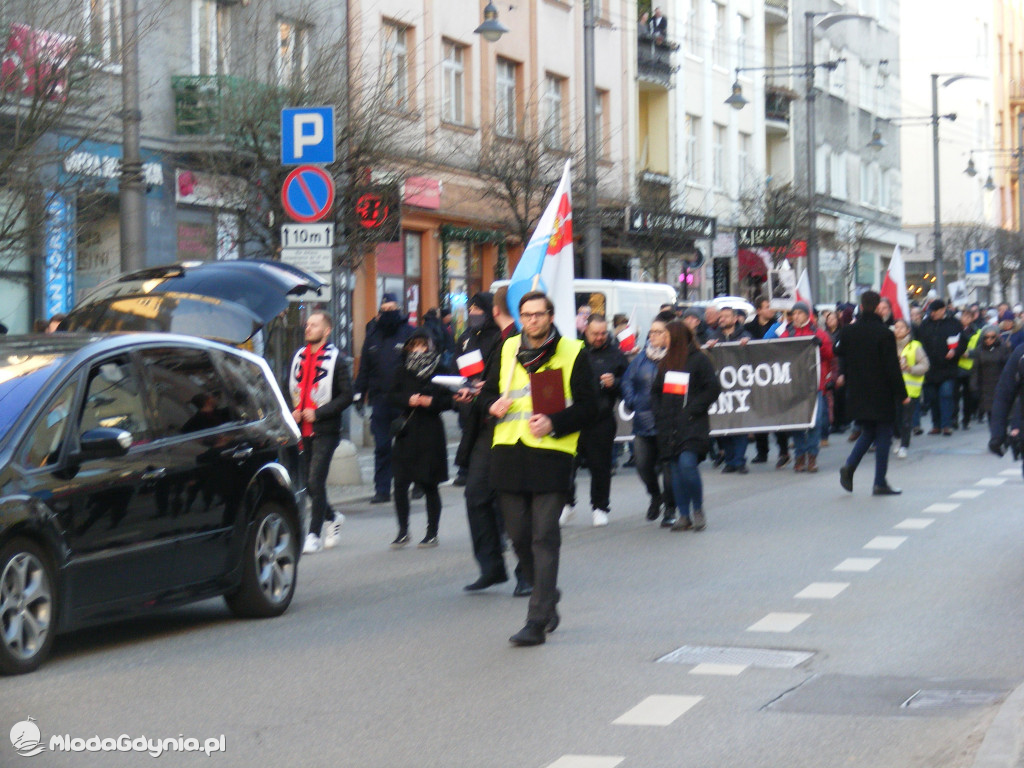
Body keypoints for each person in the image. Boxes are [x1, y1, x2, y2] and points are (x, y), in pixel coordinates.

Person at [480, 291, 598, 646]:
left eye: (539, 314)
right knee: (518, 537)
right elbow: (485, 392)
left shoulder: (573, 352)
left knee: (543, 536)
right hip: (509, 451)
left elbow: (591, 407)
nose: (533, 320)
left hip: (551, 454)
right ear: (520, 317)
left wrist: (555, 423)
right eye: (527, 314)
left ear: (550, 316)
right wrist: (491, 405)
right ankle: (547, 598)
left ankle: (536, 619)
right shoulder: (506, 348)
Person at [455, 287, 531, 595]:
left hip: (521, 431)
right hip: (488, 430)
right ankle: (491, 566)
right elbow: (490, 387)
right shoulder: (490, 340)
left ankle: (527, 571)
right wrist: (477, 394)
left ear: (494, 310)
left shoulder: (522, 339)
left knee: (516, 503)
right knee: (476, 495)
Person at [289, 311, 354, 553]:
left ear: (326, 331)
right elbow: (293, 389)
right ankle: (333, 516)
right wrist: (293, 411)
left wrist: (321, 412)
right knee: (308, 483)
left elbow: (347, 395)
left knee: (316, 479)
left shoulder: (337, 359)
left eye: (314, 325)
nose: (308, 328)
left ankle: (313, 535)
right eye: (307, 324)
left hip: (325, 429)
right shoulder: (297, 356)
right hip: (301, 429)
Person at [651, 320, 721, 532]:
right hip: (669, 425)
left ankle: (697, 509)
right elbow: (656, 391)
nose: (663, 339)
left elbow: (713, 388)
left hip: (692, 424)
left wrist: (692, 409)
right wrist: (659, 411)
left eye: (667, 336)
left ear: (677, 338)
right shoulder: (666, 362)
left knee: (687, 465)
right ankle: (683, 515)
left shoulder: (699, 360)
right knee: (674, 471)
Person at [837, 291, 909, 496]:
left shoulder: (849, 331)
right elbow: (892, 368)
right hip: (881, 392)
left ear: (861, 306)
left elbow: (837, 350)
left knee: (868, 431)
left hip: (858, 390)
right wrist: (902, 394)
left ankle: (850, 466)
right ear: (878, 307)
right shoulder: (884, 333)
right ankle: (879, 481)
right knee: (883, 433)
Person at [388, 330, 454, 548]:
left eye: (422, 345)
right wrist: (409, 399)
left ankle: (432, 532)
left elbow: (449, 400)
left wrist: (430, 402)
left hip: (430, 432)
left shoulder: (440, 369)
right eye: (414, 345)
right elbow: (391, 396)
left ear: (430, 346)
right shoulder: (401, 370)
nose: (418, 349)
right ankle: (402, 530)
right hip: (406, 432)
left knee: (429, 484)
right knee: (400, 484)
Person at [354, 293, 415, 503]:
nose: (388, 313)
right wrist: (358, 395)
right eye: (385, 310)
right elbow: (364, 369)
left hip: (404, 400)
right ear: (380, 311)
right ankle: (382, 489)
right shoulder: (372, 335)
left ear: (399, 309)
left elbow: (418, 366)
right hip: (380, 400)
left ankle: (414, 483)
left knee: (407, 446)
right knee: (381, 446)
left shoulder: (409, 333)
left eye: (392, 309)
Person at [569, 313, 629, 527]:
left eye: (603, 333)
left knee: (600, 466)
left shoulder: (616, 354)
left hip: (601, 418)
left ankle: (600, 507)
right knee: (567, 463)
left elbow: (628, 385)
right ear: (586, 330)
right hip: (575, 417)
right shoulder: (574, 349)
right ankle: (567, 504)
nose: (599, 337)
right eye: (595, 333)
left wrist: (616, 382)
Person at [621, 310, 678, 527]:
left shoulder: (675, 358)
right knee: (643, 465)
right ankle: (655, 495)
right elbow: (626, 381)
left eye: (658, 332)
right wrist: (632, 400)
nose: (652, 336)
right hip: (643, 423)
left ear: (668, 334)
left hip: (668, 424)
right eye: (651, 332)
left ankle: (670, 509)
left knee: (669, 469)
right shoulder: (641, 358)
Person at [453, 293, 502, 487]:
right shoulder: (466, 336)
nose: (472, 313)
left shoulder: (498, 336)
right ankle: (465, 469)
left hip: (488, 399)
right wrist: (458, 386)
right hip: (467, 398)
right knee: (468, 433)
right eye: (470, 310)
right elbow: (456, 363)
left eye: (477, 309)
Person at [780, 301, 833, 472]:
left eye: (799, 313)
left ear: (806, 315)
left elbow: (829, 355)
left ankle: (812, 456)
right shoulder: (787, 333)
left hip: (814, 384)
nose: (796, 316)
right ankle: (800, 456)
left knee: (815, 422)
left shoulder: (818, 333)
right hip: (795, 384)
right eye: (793, 314)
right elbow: (777, 353)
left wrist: (821, 345)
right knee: (797, 422)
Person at [706, 305, 751, 473]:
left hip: (739, 387)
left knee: (739, 425)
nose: (723, 319)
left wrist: (749, 345)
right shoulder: (713, 337)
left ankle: (739, 460)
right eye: (721, 316)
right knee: (724, 426)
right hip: (720, 388)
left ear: (735, 319)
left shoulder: (744, 335)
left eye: (726, 316)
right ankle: (730, 460)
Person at [916, 299, 966, 436]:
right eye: (931, 311)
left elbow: (963, 341)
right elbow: (919, 341)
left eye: (935, 311)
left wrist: (955, 352)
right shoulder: (925, 324)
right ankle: (936, 424)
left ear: (943, 310)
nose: (932, 314)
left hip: (948, 367)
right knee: (932, 398)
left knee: (946, 395)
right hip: (930, 368)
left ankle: (946, 425)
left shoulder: (954, 323)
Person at [893, 318, 929, 459]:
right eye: (896, 327)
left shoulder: (915, 346)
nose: (898, 330)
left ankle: (904, 445)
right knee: (895, 418)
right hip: (893, 389)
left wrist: (910, 368)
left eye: (902, 327)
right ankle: (897, 437)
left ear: (908, 330)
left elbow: (925, 365)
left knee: (906, 419)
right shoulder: (890, 345)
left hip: (909, 389)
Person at [971, 325, 1010, 425]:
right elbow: (975, 369)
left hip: (1000, 383)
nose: (989, 340)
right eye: (986, 337)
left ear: (997, 337)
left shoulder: (1003, 348)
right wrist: (973, 386)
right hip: (985, 385)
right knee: (990, 412)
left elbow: (1008, 367)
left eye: (992, 337)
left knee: (1000, 411)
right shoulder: (979, 350)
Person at [953, 307, 981, 430]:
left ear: (971, 319)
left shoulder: (977, 332)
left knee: (968, 395)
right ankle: (954, 418)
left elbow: (980, 350)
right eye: (963, 317)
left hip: (970, 367)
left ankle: (966, 419)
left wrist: (969, 354)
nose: (965, 319)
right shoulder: (955, 330)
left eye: (968, 317)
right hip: (956, 365)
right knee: (954, 395)